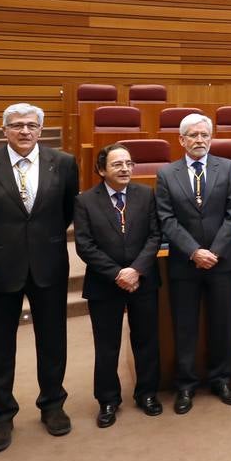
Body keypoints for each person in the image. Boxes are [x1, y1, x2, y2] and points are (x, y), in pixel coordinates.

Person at [0, 102, 78, 453]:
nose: (24, 131)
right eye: (16, 125)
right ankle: (0, 415)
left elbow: (67, 210)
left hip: (49, 264)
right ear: (4, 129)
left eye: (31, 125)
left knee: (53, 339)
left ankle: (53, 404)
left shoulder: (64, 163)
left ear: (41, 130)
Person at [155, 113, 231, 414]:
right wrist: (194, 252)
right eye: (193, 135)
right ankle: (186, 385)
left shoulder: (228, 168)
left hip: (222, 262)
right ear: (181, 140)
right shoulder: (167, 174)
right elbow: (166, 219)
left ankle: (221, 379)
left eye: (205, 135)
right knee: (185, 326)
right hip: (184, 263)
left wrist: (214, 252)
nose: (200, 140)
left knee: (222, 324)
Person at [73, 142, 162, 427]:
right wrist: (117, 273)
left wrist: (135, 270)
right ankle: (108, 400)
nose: (125, 169)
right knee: (107, 345)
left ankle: (147, 393)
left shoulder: (146, 195)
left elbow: (154, 236)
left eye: (128, 164)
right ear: (101, 170)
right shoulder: (85, 200)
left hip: (143, 280)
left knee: (146, 340)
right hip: (104, 283)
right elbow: (84, 246)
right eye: (117, 164)